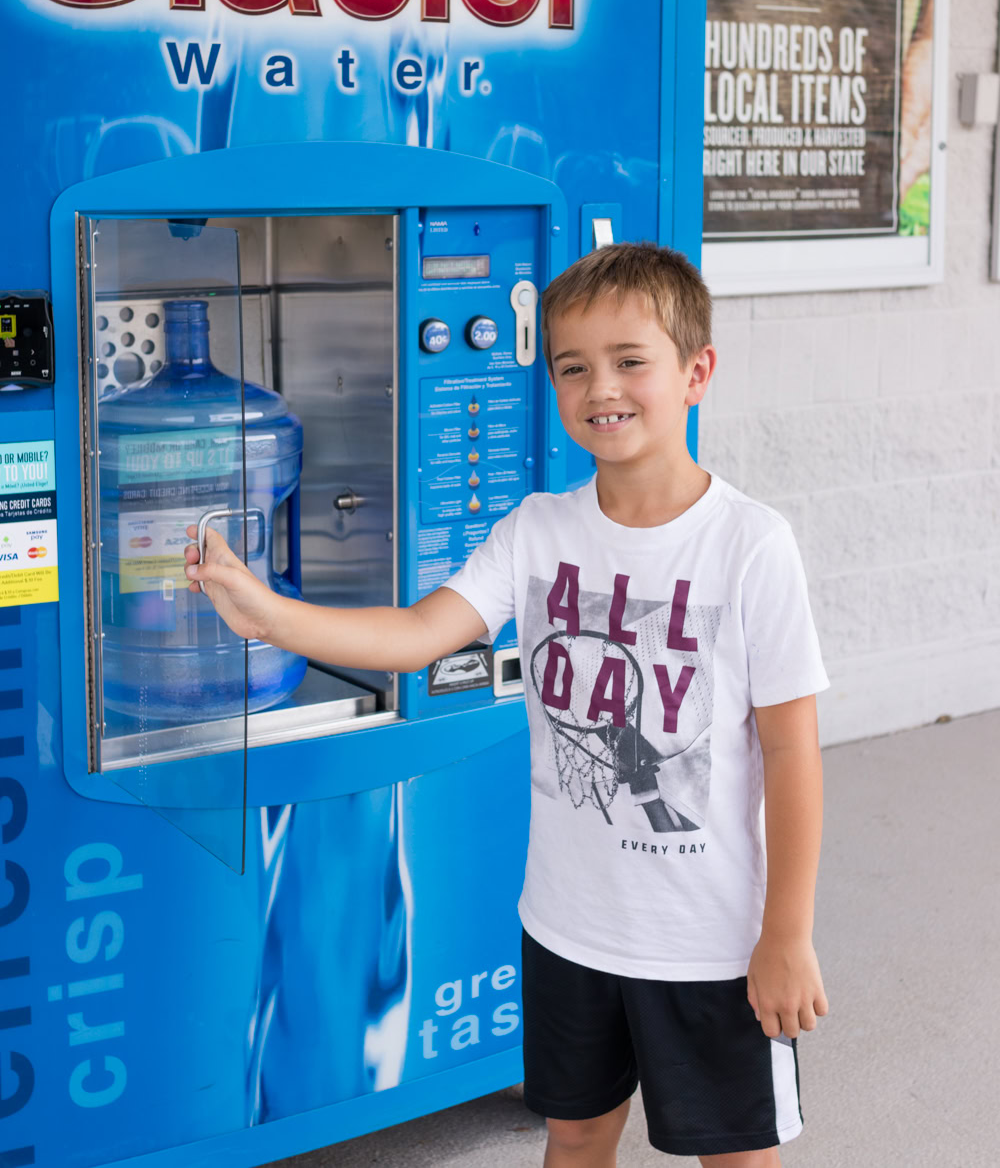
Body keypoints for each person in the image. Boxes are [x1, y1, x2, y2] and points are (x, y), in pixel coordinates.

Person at [185, 240, 829, 1167]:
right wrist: (270, 615)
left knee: (735, 1154)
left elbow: (793, 751)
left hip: (710, 942)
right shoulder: (538, 529)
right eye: (574, 367)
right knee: (576, 1137)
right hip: (568, 929)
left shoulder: (751, 545)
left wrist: (787, 935)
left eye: (631, 361)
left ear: (697, 373)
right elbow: (418, 632)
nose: (601, 388)